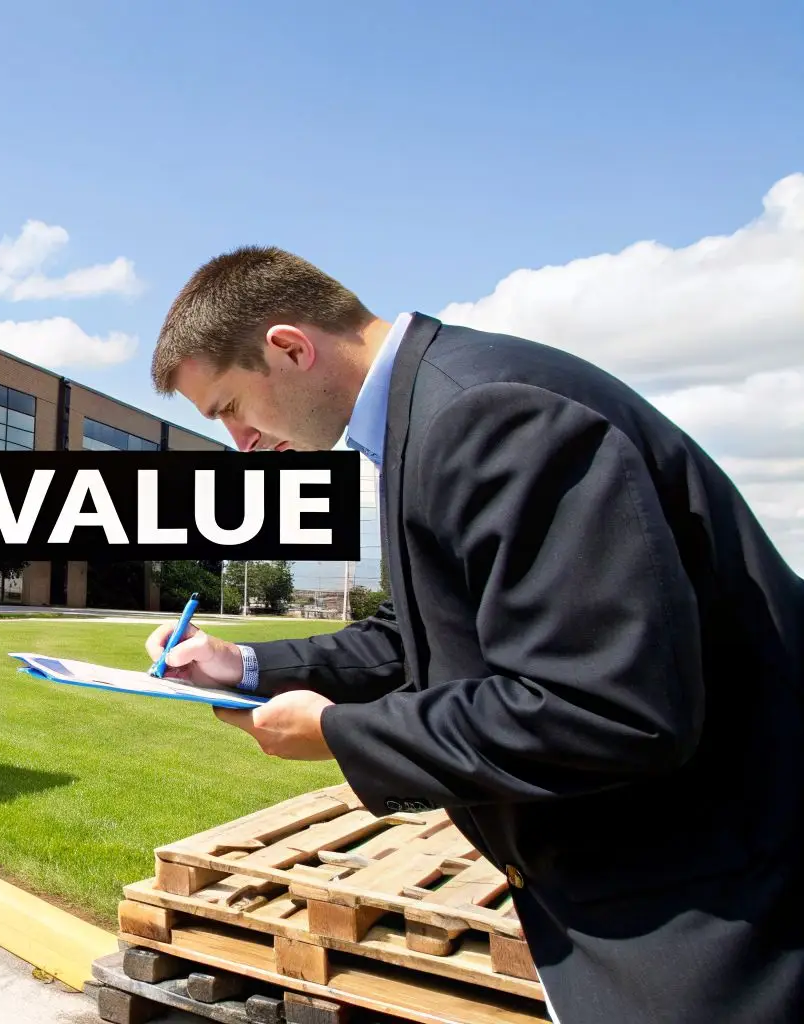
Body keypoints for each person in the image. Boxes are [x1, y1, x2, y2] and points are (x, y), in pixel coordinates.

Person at [142, 246, 804, 1024]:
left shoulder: (488, 416)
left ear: (289, 347)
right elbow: (417, 635)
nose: (239, 444)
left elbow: (605, 707)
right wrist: (244, 661)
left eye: (229, 409)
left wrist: (340, 732)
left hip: (722, 904)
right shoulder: (425, 417)